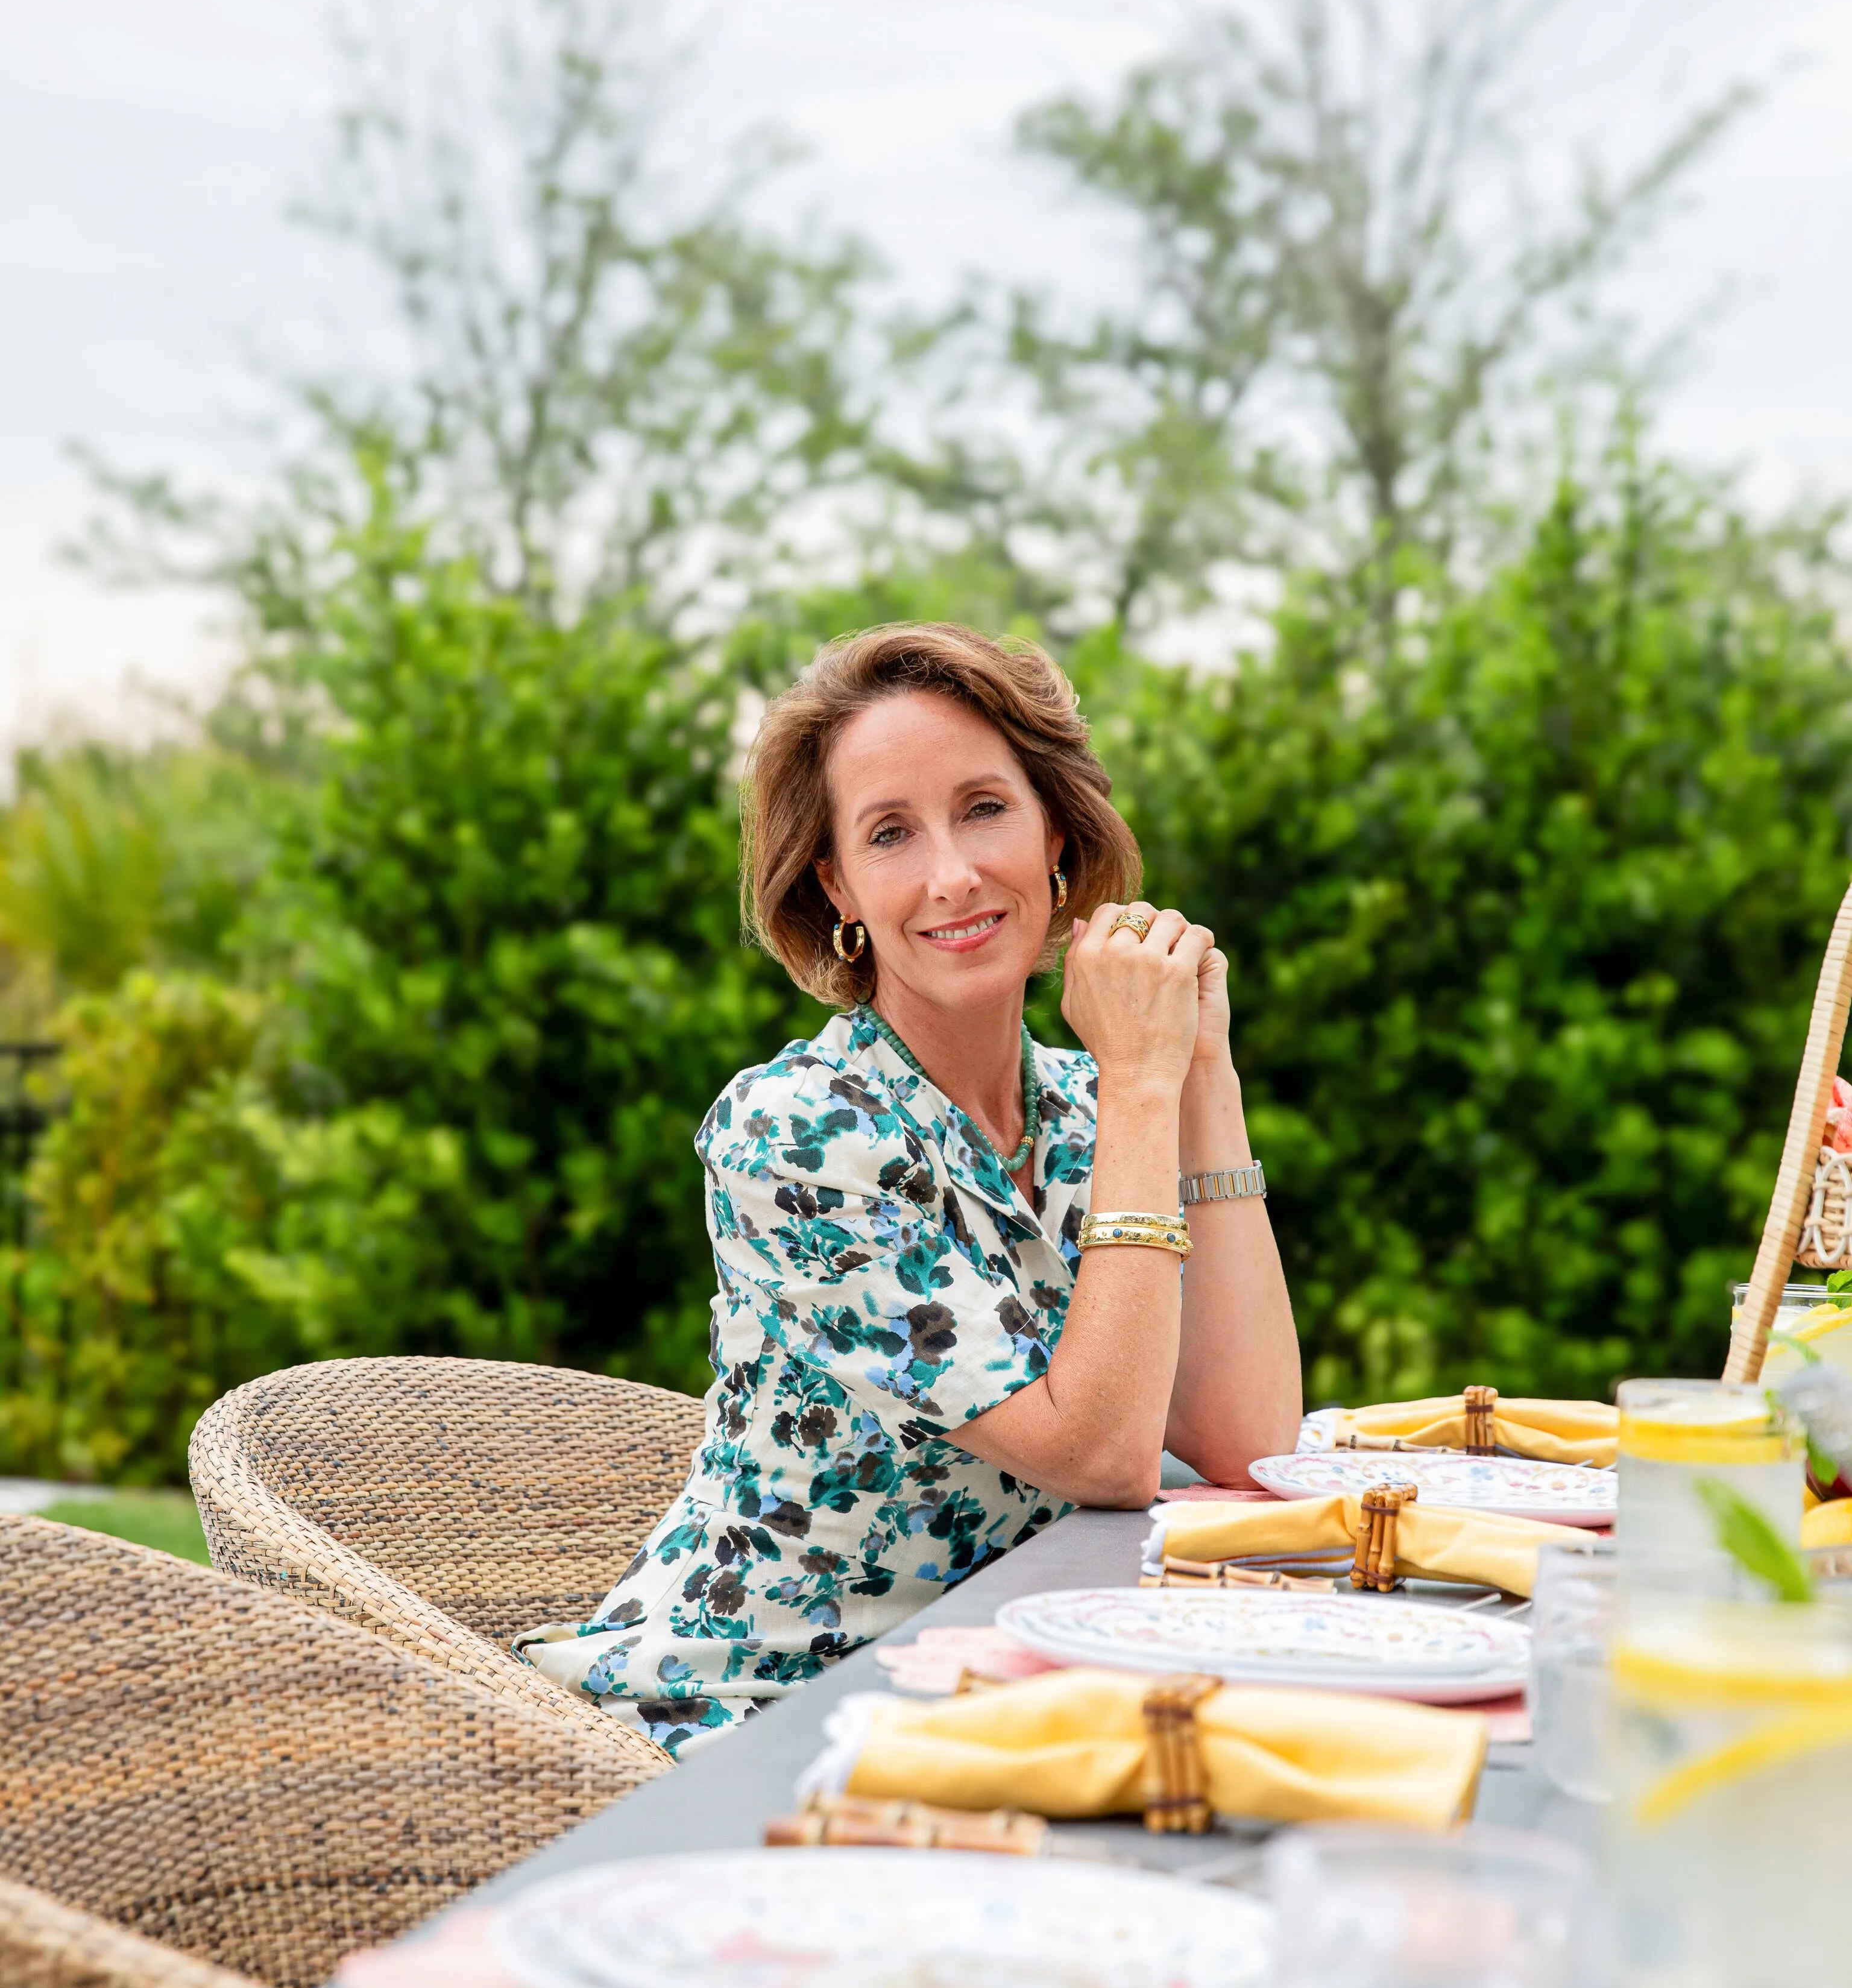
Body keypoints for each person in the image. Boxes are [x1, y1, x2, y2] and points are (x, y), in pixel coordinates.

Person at [515, 622, 1302, 1750]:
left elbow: (1249, 1440)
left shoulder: (1094, 1108)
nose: (952, 875)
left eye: (984, 808)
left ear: (1055, 833)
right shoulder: (797, 1134)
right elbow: (1104, 1457)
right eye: (891, 833)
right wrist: (1144, 1082)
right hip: (754, 1710)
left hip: (992, 1693)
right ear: (837, 884)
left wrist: (1201, 1075)